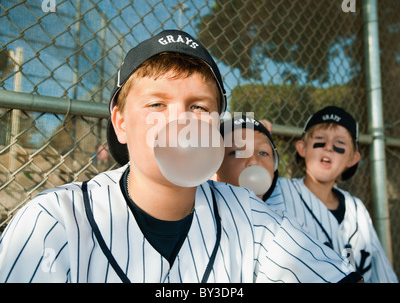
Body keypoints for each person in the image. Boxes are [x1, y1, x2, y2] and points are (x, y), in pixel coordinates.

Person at [0, 31, 361, 283]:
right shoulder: (54, 220)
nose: (181, 120)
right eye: (157, 103)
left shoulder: (249, 215)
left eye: (199, 107)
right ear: (121, 122)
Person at [266, 106, 398, 283]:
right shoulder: (277, 190)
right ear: (302, 148)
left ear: (352, 159)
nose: (328, 147)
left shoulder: (357, 209)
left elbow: (384, 276)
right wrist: (251, 136)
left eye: (340, 144)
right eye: (320, 139)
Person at [216, 114, 279, 201]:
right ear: (216, 168)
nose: (253, 162)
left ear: (273, 170)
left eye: (262, 153)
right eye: (237, 152)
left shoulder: (282, 212)